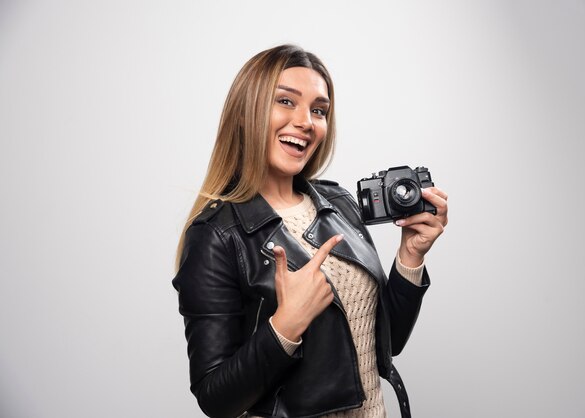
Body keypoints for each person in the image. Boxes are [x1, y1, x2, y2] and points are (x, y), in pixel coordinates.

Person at [172, 44, 448, 418]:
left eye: (319, 110)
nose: (307, 121)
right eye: (286, 102)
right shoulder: (215, 235)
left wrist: (411, 256)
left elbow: (385, 342)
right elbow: (215, 398)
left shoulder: (339, 204)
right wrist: (286, 326)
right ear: (247, 111)